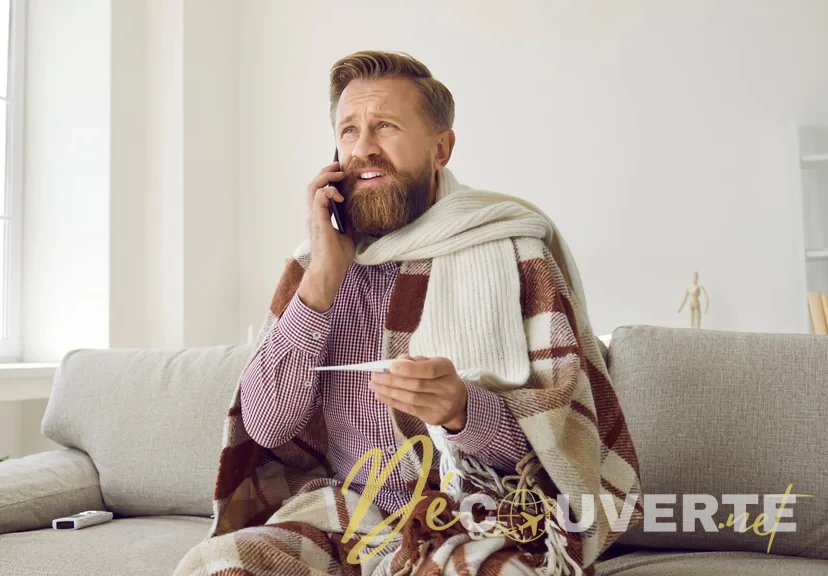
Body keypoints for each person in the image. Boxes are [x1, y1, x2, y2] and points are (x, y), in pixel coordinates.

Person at [174, 50, 641, 576]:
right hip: (342, 516)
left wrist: (464, 410)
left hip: (478, 519)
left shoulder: (516, 254)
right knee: (217, 566)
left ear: (441, 147)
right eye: (348, 131)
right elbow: (268, 424)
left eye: (386, 127)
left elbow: (566, 444)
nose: (363, 149)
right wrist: (323, 279)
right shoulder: (313, 267)